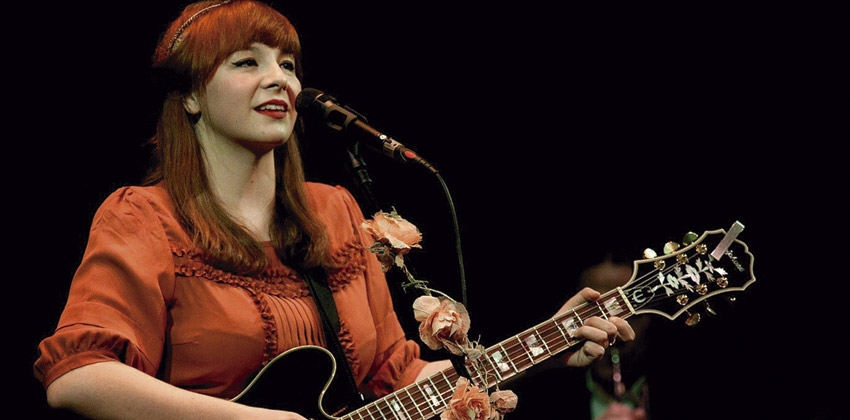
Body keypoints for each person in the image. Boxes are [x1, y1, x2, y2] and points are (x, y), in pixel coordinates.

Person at [33, 1, 635, 419]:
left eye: (288, 65)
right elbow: (79, 378)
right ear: (190, 95)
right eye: (247, 62)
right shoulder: (144, 217)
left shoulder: (333, 214)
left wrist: (544, 348)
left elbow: (398, 381)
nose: (280, 80)